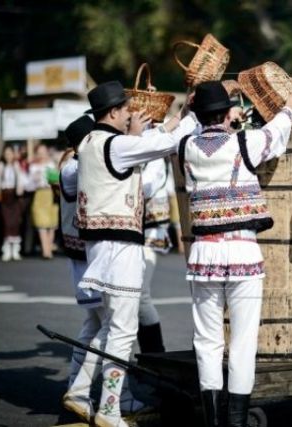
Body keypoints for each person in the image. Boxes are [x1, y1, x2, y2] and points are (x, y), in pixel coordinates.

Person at [74, 81, 197, 427]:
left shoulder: (89, 142)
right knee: (123, 332)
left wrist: (166, 122)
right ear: (113, 113)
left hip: (100, 247)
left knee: (106, 326)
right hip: (120, 248)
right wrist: (189, 115)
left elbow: (148, 144)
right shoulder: (115, 144)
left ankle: (80, 391)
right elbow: (165, 144)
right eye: (127, 109)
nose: (131, 114)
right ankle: (110, 408)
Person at [180, 81, 292, 427]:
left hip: (204, 252)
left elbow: (188, 124)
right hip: (242, 250)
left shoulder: (186, 145)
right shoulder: (245, 141)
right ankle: (236, 420)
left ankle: (214, 419)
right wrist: (289, 104)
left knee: (207, 340)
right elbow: (276, 132)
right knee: (244, 340)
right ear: (228, 113)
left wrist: (190, 109)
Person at [58, 115, 107, 423]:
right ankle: (85, 391)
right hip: (85, 261)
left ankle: (75, 389)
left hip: (85, 258)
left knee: (93, 325)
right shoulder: (74, 168)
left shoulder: (75, 165)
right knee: (111, 326)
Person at [138, 157, 171, 353]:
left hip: (150, 229)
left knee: (141, 295)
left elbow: (146, 188)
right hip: (129, 229)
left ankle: (155, 353)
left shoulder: (154, 156)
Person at [29, 143, 59, 259]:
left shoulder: (52, 164)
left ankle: (48, 247)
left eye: (43, 151)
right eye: (39, 152)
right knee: (41, 223)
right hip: (39, 194)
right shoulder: (33, 166)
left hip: (51, 193)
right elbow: (29, 184)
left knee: (51, 223)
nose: (41, 154)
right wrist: (35, 178)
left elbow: (56, 178)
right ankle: (46, 250)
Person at [0, 146, 25, 261]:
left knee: (15, 223)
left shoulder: (16, 165)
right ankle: (6, 250)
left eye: (10, 153)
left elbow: (21, 180)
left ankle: (15, 250)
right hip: (5, 196)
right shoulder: (1, 166)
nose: (8, 156)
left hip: (14, 196)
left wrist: (20, 190)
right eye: (6, 154)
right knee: (6, 223)